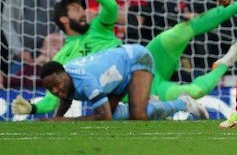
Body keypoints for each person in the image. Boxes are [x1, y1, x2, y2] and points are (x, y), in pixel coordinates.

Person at [11, 0, 237, 117]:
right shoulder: (63, 57)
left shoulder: (98, 28)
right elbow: (55, 96)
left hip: (144, 60)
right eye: (76, 10)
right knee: (194, 92)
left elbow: (111, 7)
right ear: (63, 19)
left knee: (180, 31)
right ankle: (226, 61)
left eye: (82, 8)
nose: (83, 13)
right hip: (138, 88)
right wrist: (32, 109)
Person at [39, 44, 205, 120]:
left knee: (138, 115)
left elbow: (103, 116)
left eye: (56, 84)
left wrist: (66, 121)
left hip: (137, 59)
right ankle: (151, 104)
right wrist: (57, 118)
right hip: (115, 75)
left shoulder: (86, 81)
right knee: (116, 115)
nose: (54, 90)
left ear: (63, 74)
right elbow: (65, 99)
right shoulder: (65, 76)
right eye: (50, 88)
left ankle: (183, 103)